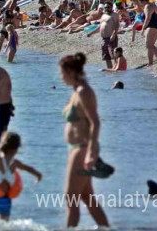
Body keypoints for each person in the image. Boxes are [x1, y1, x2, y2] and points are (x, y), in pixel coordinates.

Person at [59, 53, 110, 228]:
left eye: (62, 72)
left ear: (71, 72)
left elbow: (95, 122)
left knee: (70, 198)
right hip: (76, 148)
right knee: (87, 197)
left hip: (83, 148)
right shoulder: (76, 91)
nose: (61, 76)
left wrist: (91, 152)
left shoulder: (84, 91)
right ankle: (106, 228)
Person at [88, 3, 119, 70]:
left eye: (108, 7)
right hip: (104, 39)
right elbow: (100, 27)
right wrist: (91, 33)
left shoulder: (114, 15)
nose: (106, 8)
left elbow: (117, 26)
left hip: (111, 38)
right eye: (105, 7)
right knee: (106, 56)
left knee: (114, 55)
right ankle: (110, 69)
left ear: (111, 7)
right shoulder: (104, 15)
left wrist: (114, 35)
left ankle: (117, 69)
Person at [139, 0, 157, 66]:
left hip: (153, 25)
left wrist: (143, 28)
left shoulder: (147, 6)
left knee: (148, 45)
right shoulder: (153, 5)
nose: (140, 3)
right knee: (151, 45)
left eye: (140, 2)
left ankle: (150, 63)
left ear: (143, 1)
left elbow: (148, 18)